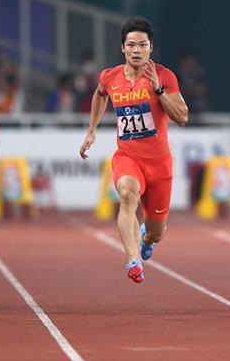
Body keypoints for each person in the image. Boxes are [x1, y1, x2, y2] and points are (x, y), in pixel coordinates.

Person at [79, 17, 189, 283]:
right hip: (128, 158)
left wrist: (158, 90)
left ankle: (145, 238)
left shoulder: (164, 76)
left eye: (142, 45)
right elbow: (100, 93)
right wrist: (92, 130)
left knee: (157, 232)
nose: (136, 50)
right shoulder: (110, 76)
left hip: (159, 165)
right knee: (127, 196)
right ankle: (133, 261)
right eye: (131, 45)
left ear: (151, 48)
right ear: (123, 48)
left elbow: (182, 117)